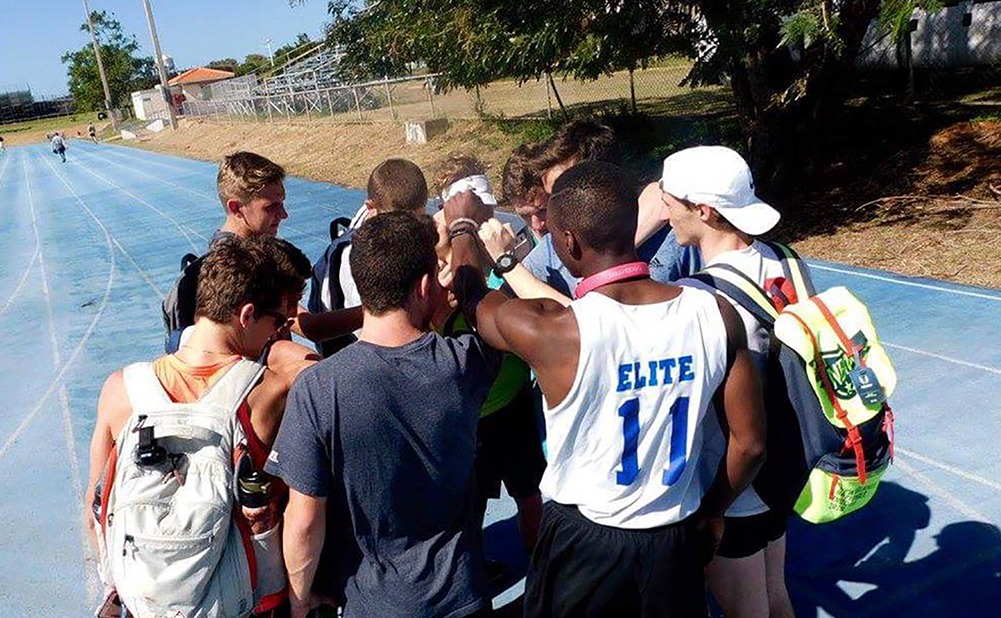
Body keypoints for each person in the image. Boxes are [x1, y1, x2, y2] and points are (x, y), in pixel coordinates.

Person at [443, 161, 766, 618]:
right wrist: (712, 511)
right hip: (674, 531)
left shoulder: (556, 330)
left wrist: (462, 226)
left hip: (586, 539)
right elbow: (750, 444)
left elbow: (471, 297)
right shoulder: (714, 312)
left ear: (569, 241)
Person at [268, 212, 501, 618]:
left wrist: (301, 598)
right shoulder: (464, 364)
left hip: (373, 603)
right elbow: (487, 315)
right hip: (461, 594)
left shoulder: (319, 388)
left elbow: (304, 520)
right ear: (427, 284)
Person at [87, 234, 320, 616]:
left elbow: (96, 505)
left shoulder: (120, 390)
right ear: (246, 315)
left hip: (144, 602)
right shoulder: (268, 393)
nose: (278, 333)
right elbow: (303, 511)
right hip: (246, 602)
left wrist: (123, 586)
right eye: (277, 322)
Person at [661, 146, 801, 618]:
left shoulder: (701, 296)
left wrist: (711, 509)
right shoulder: (786, 260)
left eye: (669, 199)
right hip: (785, 462)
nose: (664, 210)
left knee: (746, 612)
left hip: (733, 481)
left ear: (703, 211)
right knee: (776, 594)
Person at [432, 155, 546, 557]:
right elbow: (462, 295)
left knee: (529, 493)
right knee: (467, 506)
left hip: (511, 403)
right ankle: (473, 574)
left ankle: (538, 568)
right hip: (465, 413)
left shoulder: (512, 251)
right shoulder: (436, 265)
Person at [163, 152, 362, 351]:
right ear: (236, 208)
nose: (284, 215)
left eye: (282, 203)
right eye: (270, 207)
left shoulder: (230, 259)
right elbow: (310, 327)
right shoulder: (243, 270)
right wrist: (381, 311)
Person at [504, 119, 700, 296]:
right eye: (552, 196)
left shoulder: (678, 236)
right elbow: (508, 300)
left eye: (562, 191)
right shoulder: (554, 245)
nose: (554, 208)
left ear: (602, 179)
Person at [308, 158, 429, 355]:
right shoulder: (352, 256)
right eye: (396, 221)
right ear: (371, 207)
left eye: (416, 220)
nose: (407, 231)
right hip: (358, 352)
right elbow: (375, 332)